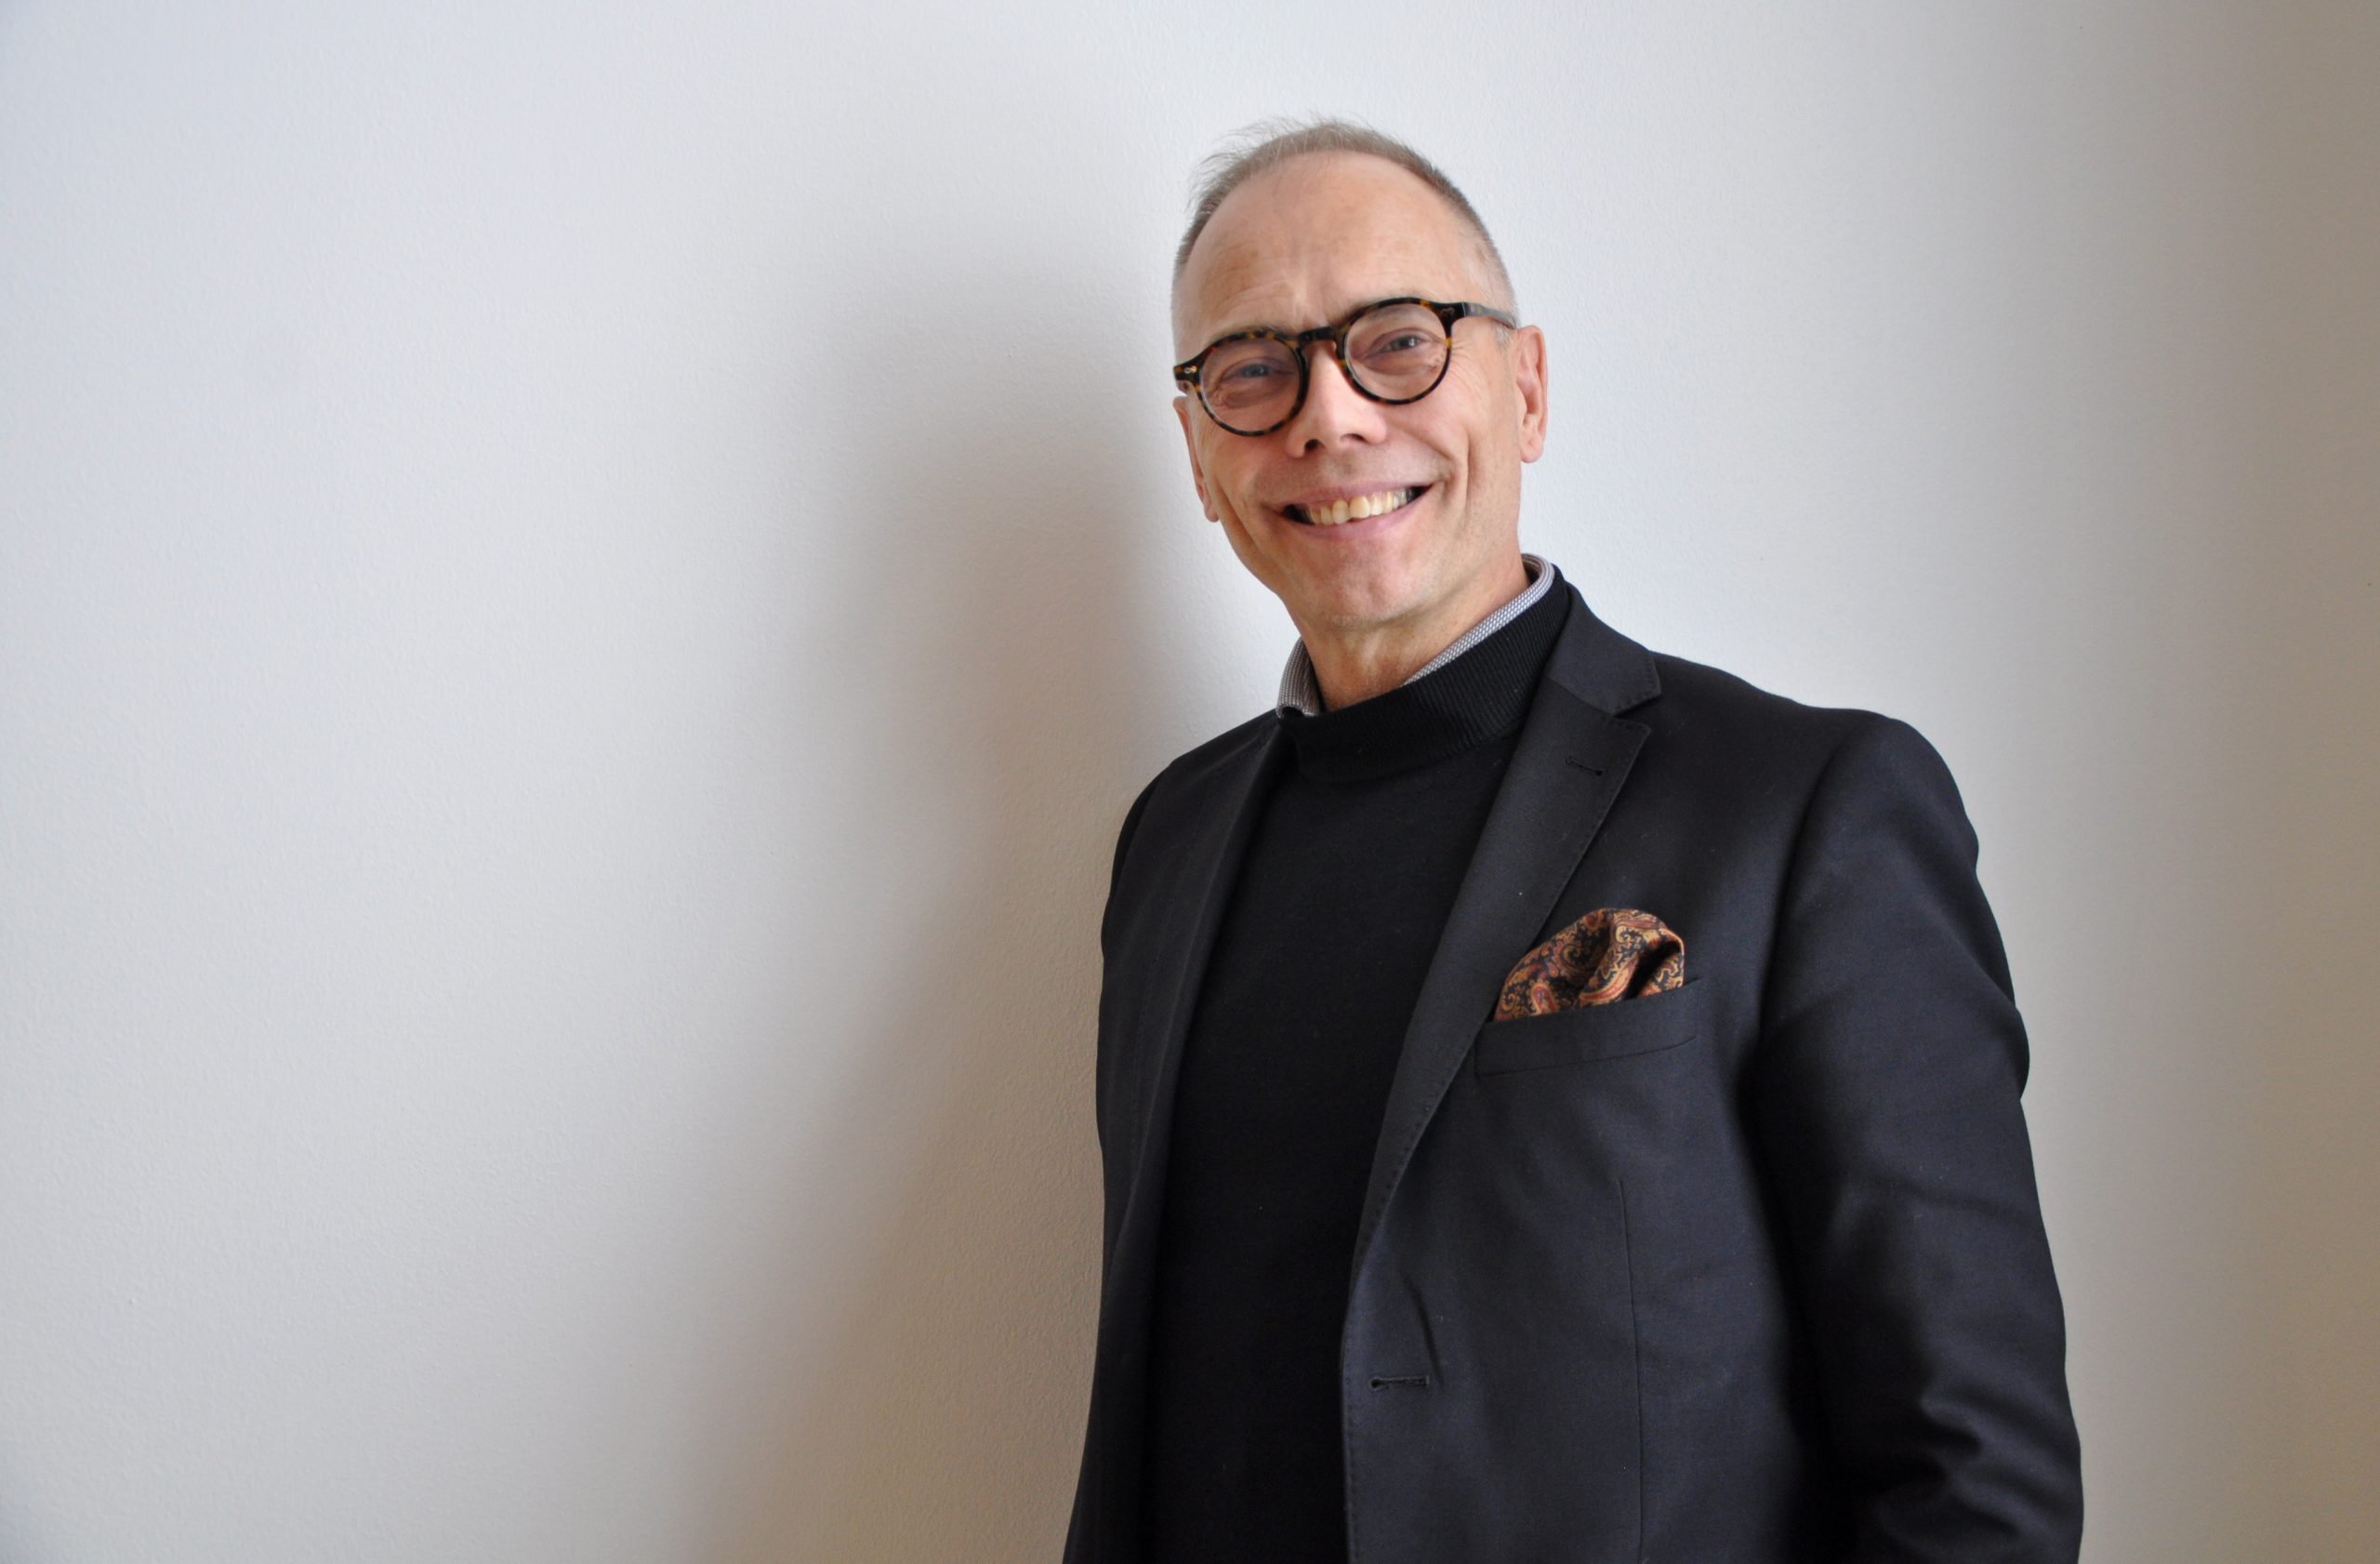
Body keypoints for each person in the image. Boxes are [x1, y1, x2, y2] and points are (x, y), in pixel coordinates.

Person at [1063, 119, 2082, 1564]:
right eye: (1253, 370)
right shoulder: (1170, 842)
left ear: (1526, 388)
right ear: (1198, 453)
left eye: (1397, 341)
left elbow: (1975, 1477)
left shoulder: (1808, 807)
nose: (1330, 416)